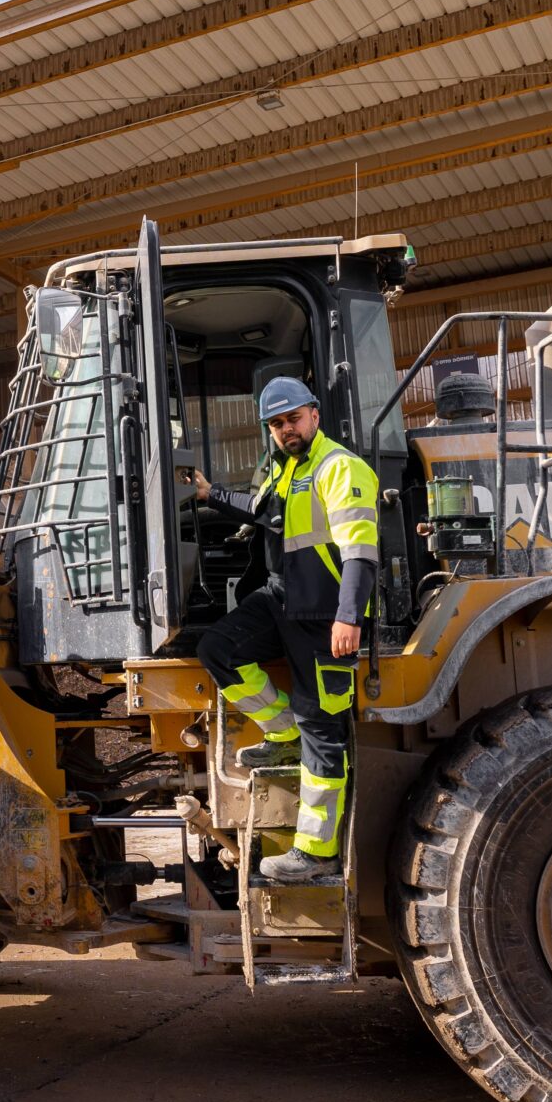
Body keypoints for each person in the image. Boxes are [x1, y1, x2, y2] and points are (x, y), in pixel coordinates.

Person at [189, 377, 382, 884]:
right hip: (281, 600)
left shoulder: (339, 467)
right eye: (276, 424)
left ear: (314, 415)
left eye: (292, 418)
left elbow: (361, 551)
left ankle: (316, 855)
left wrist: (349, 616)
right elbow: (262, 511)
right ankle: (281, 731)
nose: (285, 429)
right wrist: (212, 494)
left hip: (323, 617)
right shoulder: (287, 469)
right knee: (218, 649)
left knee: (324, 730)